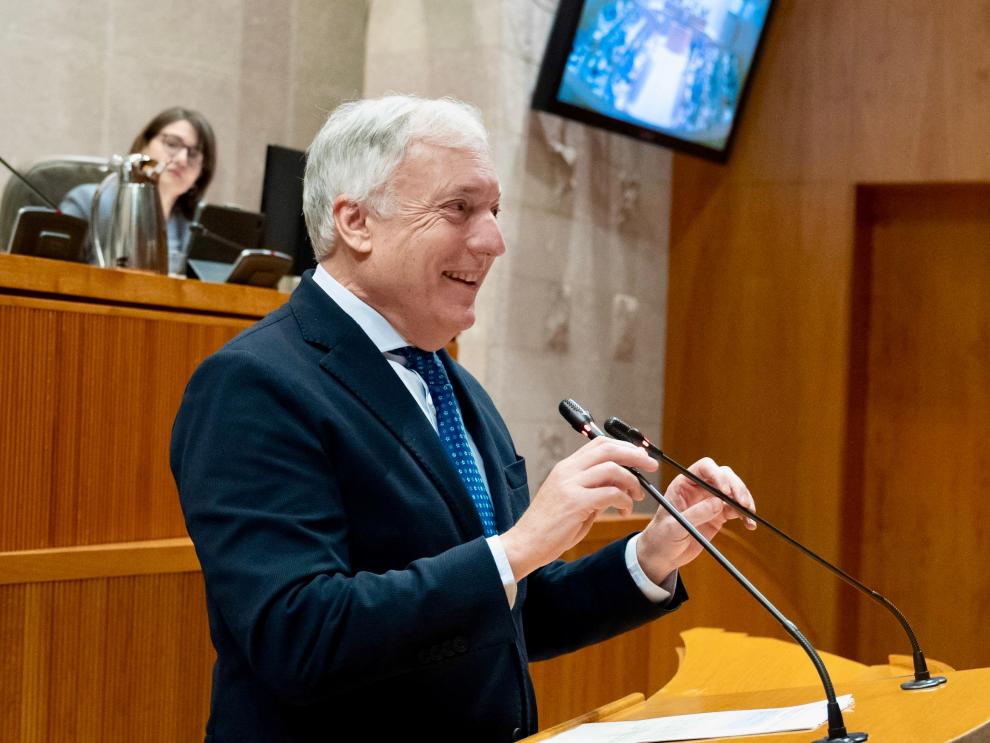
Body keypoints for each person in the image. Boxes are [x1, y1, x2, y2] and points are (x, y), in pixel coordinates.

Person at [170, 94, 755, 742]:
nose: (495, 240)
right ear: (356, 222)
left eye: (495, 211)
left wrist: (649, 554)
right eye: (460, 208)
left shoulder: (451, 382)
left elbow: (503, 609)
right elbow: (301, 635)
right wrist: (520, 546)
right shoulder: (254, 383)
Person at [60, 106, 216, 274]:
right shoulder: (87, 202)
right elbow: (53, 275)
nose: (182, 159)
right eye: (172, 144)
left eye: (193, 154)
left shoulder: (197, 228)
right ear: (144, 145)